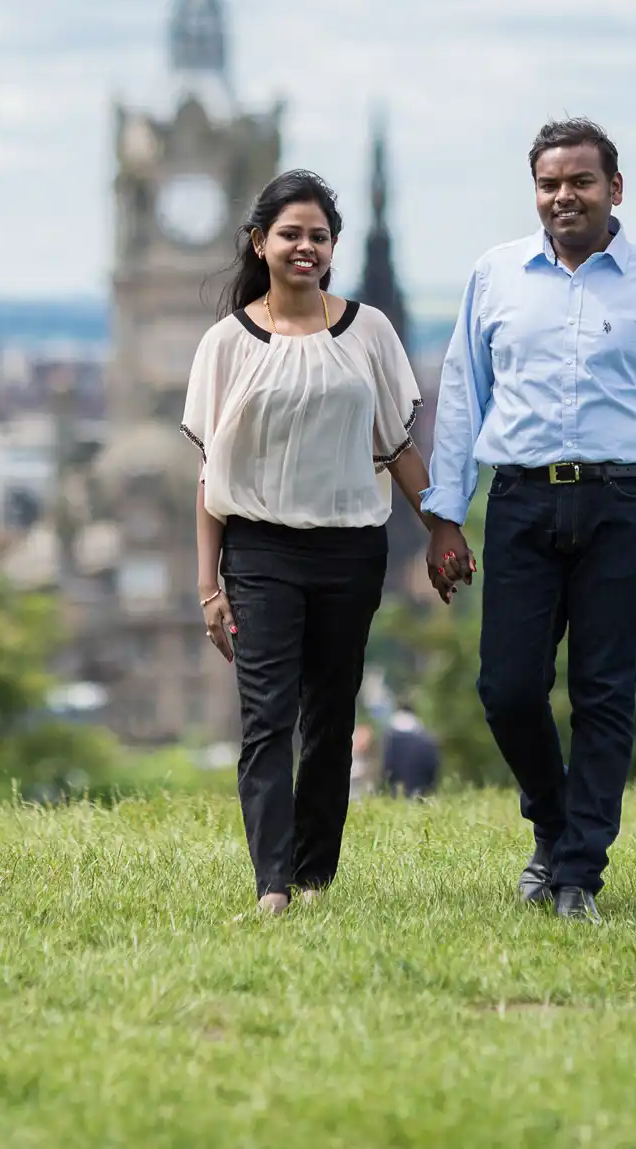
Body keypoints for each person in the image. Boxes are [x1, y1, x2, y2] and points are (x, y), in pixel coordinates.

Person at [421, 118, 636, 922]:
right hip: (519, 499)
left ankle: (578, 873)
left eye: (581, 181)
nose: (565, 196)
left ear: (614, 189)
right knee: (507, 686)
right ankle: (553, 825)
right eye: (550, 183)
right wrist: (445, 515)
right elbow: (462, 398)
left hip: (624, 503)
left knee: (603, 692)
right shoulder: (495, 277)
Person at [185, 169, 456, 917]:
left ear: (332, 248)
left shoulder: (369, 331)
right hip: (261, 550)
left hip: (349, 549)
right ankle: (272, 885)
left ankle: (313, 874)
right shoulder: (226, 343)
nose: (304, 246)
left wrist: (442, 527)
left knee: (330, 717)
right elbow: (210, 473)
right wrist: (209, 585)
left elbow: (399, 447)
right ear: (259, 243)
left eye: (318, 235)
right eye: (290, 233)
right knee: (267, 716)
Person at [379, 705, 441, 798]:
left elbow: (387, 765)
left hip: (399, 785)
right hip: (421, 783)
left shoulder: (391, 734)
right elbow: (433, 763)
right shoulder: (423, 734)